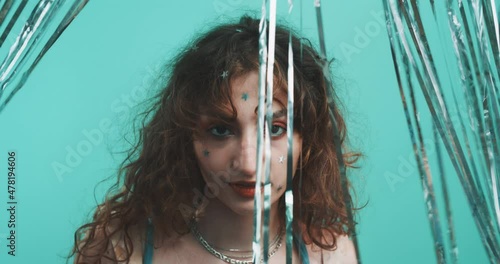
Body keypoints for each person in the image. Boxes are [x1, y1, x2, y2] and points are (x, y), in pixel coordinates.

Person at [71, 15, 360, 264]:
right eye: (221, 130)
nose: (248, 163)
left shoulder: (331, 256)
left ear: (307, 142)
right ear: (184, 137)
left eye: (275, 129)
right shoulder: (121, 251)